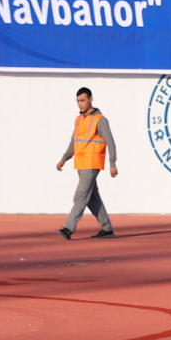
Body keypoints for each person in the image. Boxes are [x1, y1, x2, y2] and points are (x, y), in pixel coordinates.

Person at [56, 87, 117, 240]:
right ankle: (107, 229)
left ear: (91, 99)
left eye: (83, 100)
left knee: (80, 197)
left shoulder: (100, 120)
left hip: (92, 163)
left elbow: (111, 142)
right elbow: (74, 142)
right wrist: (64, 158)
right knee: (92, 198)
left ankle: (68, 229)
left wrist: (112, 163)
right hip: (81, 164)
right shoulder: (79, 120)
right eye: (78, 101)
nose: (80, 104)